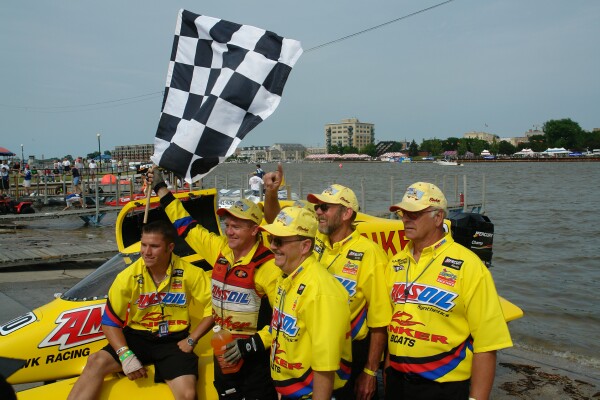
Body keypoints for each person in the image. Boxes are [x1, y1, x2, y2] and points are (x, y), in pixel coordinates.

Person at [149, 166, 280, 400]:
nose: (229, 232)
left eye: (236, 226)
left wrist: (250, 345)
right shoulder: (220, 250)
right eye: (227, 225)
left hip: (255, 360)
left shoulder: (268, 266)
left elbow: (285, 321)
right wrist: (161, 189)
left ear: (254, 230)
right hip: (223, 354)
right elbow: (185, 225)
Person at [264, 165, 392, 400]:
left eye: (325, 207)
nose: (319, 212)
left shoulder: (370, 253)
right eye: (317, 207)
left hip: (352, 351)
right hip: (309, 343)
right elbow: (278, 224)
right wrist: (271, 193)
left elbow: (380, 321)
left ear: (346, 213)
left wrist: (370, 371)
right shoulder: (315, 240)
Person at [384, 182, 512, 400]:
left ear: (437, 217)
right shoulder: (396, 262)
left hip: (443, 386)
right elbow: (392, 327)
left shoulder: (469, 265)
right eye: (403, 213)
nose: (405, 219)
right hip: (397, 382)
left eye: (414, 213)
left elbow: (488, 343)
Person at [67, 220, 214, 400]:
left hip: (174, 341)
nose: (146, 252)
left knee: (188, 394)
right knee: (95, 361)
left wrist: (192, 340)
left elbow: (214, 308)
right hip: (137, 337)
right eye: (143, 245)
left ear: (170, 247)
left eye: (154, 246)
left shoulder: (192, 273)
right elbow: (110, 322)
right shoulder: (127, 276)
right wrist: (125, 355)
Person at [258, 206, 352, 400]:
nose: (273, 246)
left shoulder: (320, 290)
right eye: (271, 239)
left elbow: (325, 365)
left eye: (280, 241)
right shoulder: (288, 278)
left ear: (305, 246)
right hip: (291, 391)